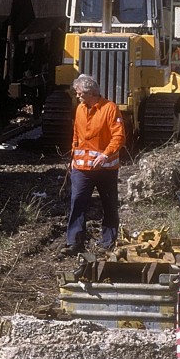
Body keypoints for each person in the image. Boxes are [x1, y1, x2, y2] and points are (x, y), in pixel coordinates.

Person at [63, 74, 126, 256]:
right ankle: (74, 243)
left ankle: (108, 242)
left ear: (91, 93)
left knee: (109, 205)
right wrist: (73, 157)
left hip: (106, 170)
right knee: (77, 202)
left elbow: (119, 137)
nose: (77, 96)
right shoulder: (80, 109)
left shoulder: (110, 109)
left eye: (80, 93)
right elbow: (76, 135)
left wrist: (105, 155)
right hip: (81, 170)